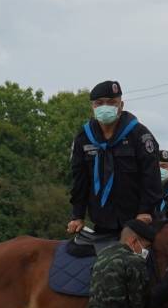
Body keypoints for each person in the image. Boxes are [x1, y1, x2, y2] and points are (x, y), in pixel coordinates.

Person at [68, 80, 161, 238]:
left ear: (121, 105)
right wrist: (77, 215)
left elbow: (151, 177)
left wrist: (145, 211)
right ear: (92, 106)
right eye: (99, 103)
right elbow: (80, 180)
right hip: (102, 223)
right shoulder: (84, 137)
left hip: (139, 223)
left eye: (111, 102)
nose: (105, 107)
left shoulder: (139, 135)